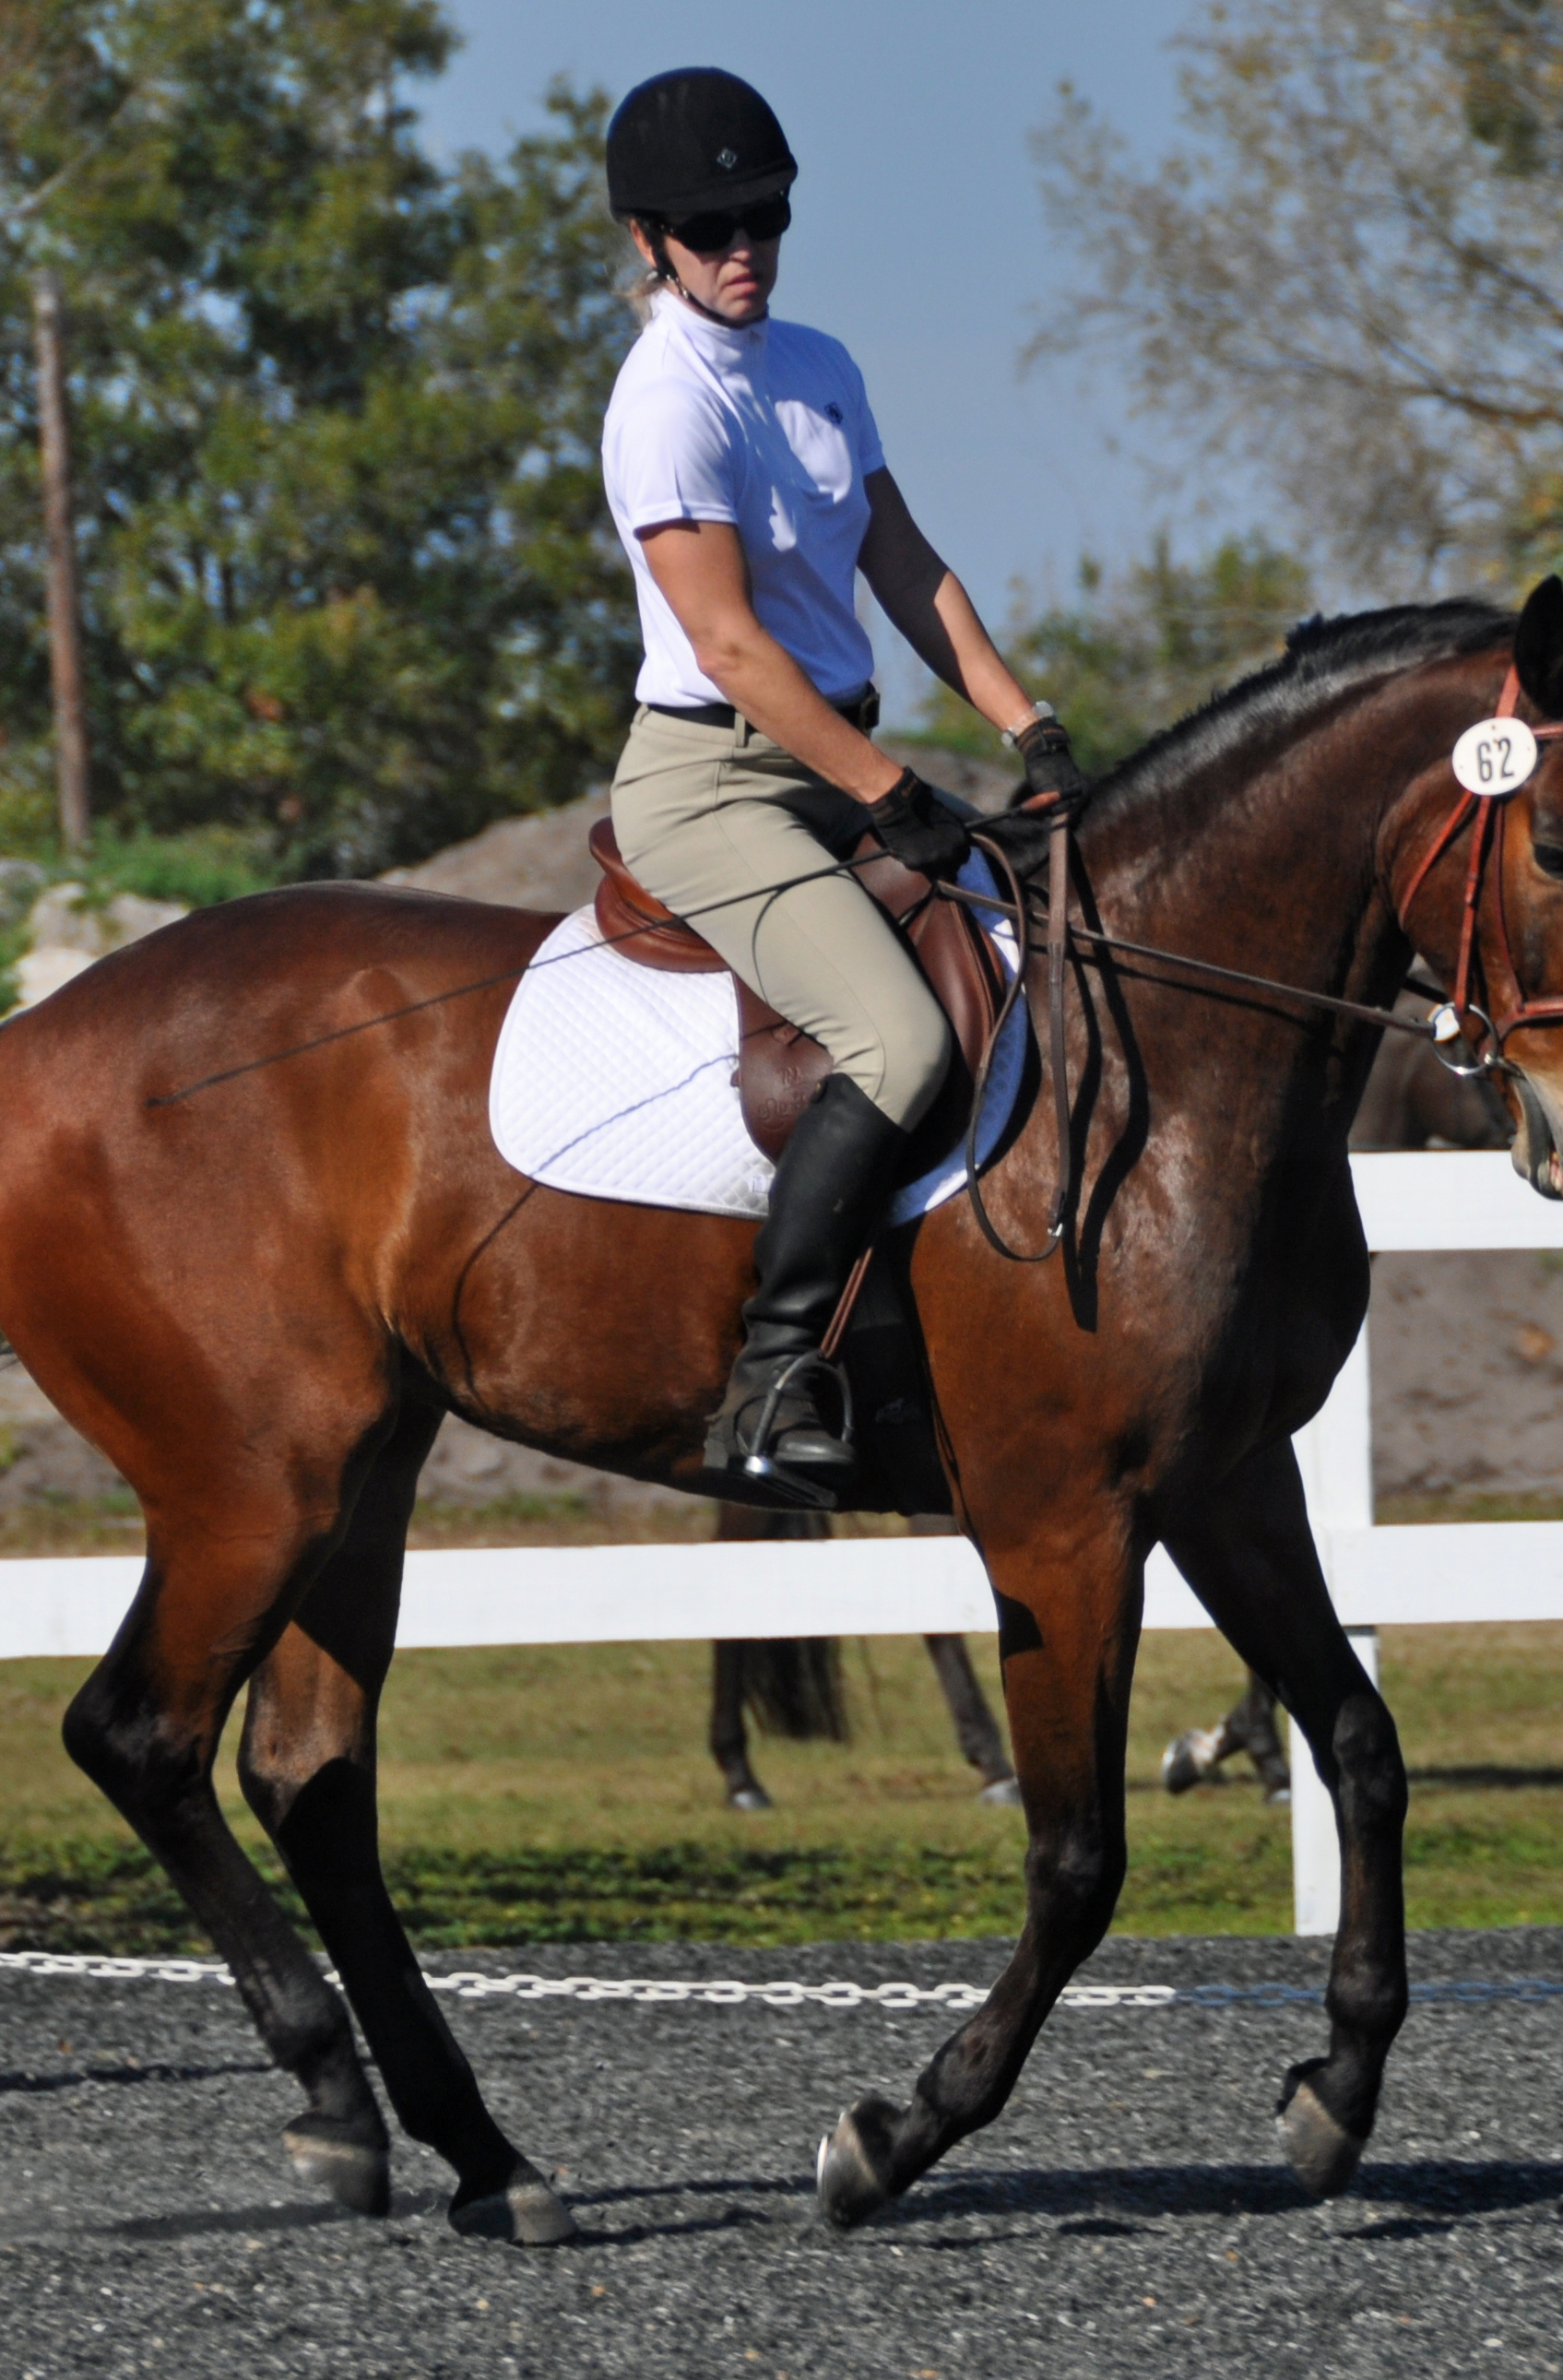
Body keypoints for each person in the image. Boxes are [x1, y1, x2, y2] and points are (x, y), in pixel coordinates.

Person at [600, 66, 1090, 1504]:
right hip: (718, 784)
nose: (741, 247)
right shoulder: (663, 402)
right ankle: (772, 1374)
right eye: (708, 228)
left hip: (840, 756)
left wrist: (1025, 723)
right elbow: (733, 646)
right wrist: (889, 788)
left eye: (763, 217)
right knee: (897, 1040)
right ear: (649, 242)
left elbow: (903, 563)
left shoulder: (819, 362)